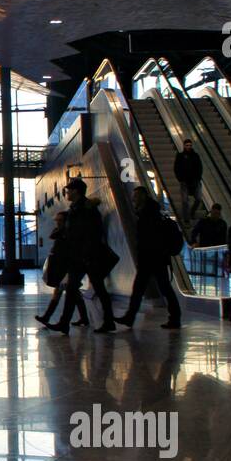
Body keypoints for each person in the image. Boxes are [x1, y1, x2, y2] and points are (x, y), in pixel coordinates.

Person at [47, 178, 116, 334]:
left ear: (76, 191)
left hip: (87, 257)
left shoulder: (86, 209)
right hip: (79, 257)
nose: (67, 193)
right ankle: (64, 323)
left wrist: (85, 253)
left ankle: (108, 321)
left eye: (69, 190)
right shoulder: (76, 209)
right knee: (72, 289)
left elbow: (91, 233)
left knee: (98, 288)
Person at [116, 186, 182, 329]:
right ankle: (131, 316)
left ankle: (174, 318)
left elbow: (149, 238)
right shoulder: (151, 212)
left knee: (155, 288)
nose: (133, 199)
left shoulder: (149, 214)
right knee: (156, 288)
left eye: (136, 196)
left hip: (152, 257)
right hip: (155, 257)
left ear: (143, 197)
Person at [35, 212, 89, 328]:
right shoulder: (61, 231)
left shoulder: (68, 233)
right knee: (74, 293)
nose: (57, 223)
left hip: (67, 267)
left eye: (60, 220)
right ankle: (84, 318)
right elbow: (52, 236)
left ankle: (48, 317)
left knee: (61, 291)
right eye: (57, 220)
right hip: (63, 266)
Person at [173, 138, 203, 223]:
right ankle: (187, 218)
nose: (188, 147)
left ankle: (192, 212)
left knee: (198, 199)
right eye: (187, 145)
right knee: (185, 201)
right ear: (184, 146)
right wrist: (180, 178)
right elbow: (176, 168)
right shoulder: (180, 156)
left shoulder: (195, 156)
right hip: (184, 182)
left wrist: (198, 178)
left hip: (195, 181)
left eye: (190, 145)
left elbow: (200, 167)